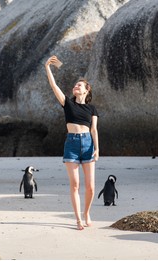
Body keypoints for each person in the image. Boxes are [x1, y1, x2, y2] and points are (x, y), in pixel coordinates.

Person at [45, 55, 99, 230]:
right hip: (72, 145)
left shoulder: (92, 109)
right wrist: (47, 67)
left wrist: (97, 149)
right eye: (75, 85)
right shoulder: (67, 103)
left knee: (91, 187)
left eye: (80, 85)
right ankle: (78, 219)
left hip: (88, 144)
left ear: (86, 91)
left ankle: (86, 213)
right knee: (75, 184)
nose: (76, 86)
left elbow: (94, 130)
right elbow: (54, 86)